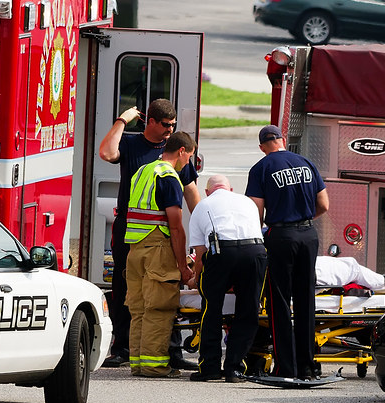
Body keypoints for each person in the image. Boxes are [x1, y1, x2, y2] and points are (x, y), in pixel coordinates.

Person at [98, 98, 200, 368]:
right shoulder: (132, 145)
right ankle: (123, 348)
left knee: (165, 290)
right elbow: (107, 154)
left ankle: (171, 351)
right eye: (165, 124)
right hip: (131, 230)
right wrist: (122, 120)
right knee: (127, 289)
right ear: (150, 121)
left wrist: (203, 225)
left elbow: (190, 191)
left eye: (173, 125)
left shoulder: (175, 151)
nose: (169, 129)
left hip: (162, 233)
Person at [245, 125, 329, 380]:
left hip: (281, 236)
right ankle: (307, 366)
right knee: (306, 301)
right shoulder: (306, 162)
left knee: (279, 302)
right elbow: (324, 204)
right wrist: (302, 220)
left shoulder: (261, 168)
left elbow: (256, 212)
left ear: (262, 147)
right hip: (308, 234)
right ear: (282, 140)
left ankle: (286, 367)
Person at [123, 131, 196, 378]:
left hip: (135, 249)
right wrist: (182, 264)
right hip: (157, 248)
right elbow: (175, 225)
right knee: (159, 308)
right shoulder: (168, 177)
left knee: (139, 308)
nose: (188, 164)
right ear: (182, 152)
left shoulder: (143, 171)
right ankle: (154, 365)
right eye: (190, 157)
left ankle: (138, 363)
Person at [186, 175, 268, 383]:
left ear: (207, 191)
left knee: (211, 310)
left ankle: (210, 368)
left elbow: (201, 254)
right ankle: (235, 368)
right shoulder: (247, 202)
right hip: (254, 251)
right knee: (248, 310)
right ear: (230, 189)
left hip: (221, 252)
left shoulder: (202, 206)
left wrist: (196, 279)